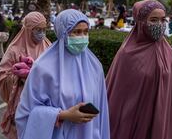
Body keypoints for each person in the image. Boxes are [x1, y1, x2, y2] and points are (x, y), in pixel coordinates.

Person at [15, 9, 110, 139]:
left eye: (85, 32)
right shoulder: (43, 68)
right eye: (76, 32)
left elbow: (102, 111)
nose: (82, 36)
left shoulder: (95, 67)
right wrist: (63, 115)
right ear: (63, 33)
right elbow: (26, 112)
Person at [106, 0, 172, 139]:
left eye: (163, 20)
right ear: (141, 22)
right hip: (134, 120)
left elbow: (171, 92)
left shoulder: (167, 51)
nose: (160, 25)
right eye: (154, 20)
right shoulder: (127, 54)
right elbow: (118, 97)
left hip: (162, 116)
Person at [0, 12, 51, 139]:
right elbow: (2, 77)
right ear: (28, 30)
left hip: (44, 102)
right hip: (21, 103)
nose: (42, 33)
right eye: (38, 29)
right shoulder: (14, 50)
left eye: (44, 29)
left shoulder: (48, 46)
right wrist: (18, 77)